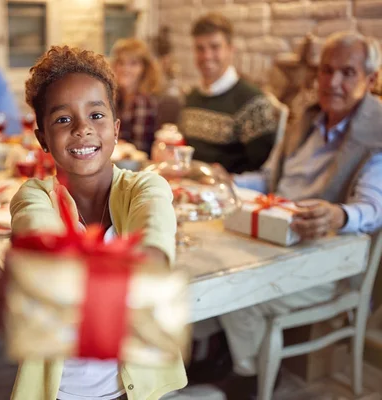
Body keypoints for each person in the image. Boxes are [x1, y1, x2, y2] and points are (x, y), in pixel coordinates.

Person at [0, 46, 187, 400]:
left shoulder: (145, 186)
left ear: (116, 128)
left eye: (96, 115)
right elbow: (38, 235)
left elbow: (154, 230)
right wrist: (33, 266)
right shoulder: (34, 195)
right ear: (42, 137)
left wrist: (148, 262)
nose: (82, 129)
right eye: (62, 119)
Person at [217, 31, 382, 398]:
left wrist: (337, 216)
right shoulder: (306, 119)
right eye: (326, 70)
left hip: (329, 258)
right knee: (212, 262)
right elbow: (266, 178)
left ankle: (252, 375)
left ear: (370, 80)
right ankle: (224, 356)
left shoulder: (377, 135)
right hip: (277, 238)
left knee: (234, 287)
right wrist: (225, 180)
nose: (333, 82)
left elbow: (372, 209)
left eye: (347, 72)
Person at [179, 12, 277, 174]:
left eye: (215, 47)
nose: (207, 56)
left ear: (231, 50)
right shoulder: (192, 97)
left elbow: (263, 171)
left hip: (231, 192)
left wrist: (227, 176)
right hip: (190, 188)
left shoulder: (253, 102)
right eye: (200, 49)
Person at [111, 38, 161, 155]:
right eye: (121, 63)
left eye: (133, 63)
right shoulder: (114, 97)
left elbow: (139, 149)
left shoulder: (144, 102)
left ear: (144, 68)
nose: (125, 69)